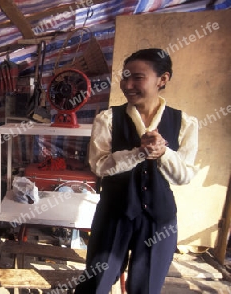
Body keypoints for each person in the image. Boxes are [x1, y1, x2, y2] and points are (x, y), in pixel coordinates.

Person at [74, 48, 199, 294]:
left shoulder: (184, 123)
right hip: (114, 215)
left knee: (146, 287)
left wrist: (163, 153)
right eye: (125, 77)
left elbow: (184, 176)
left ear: (163, 79)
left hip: (159, 220)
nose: (128, 84)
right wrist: (138, 153)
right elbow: (99, 165)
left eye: (138, 78)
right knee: (95, 283)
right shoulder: (108, 119)